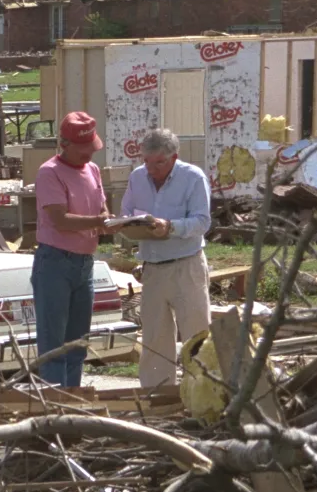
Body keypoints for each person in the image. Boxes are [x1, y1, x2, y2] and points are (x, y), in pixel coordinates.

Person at [119, 128, 213, 388]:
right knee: (154, 338)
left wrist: (170, 227)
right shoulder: (137, 178)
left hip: (186, 264)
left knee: (196, 335)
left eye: (159, 162)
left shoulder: (193, 177)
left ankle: (202, 392)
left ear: (174, 157)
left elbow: (202, 221)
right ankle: (157, 396)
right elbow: (126, 211)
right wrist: (127, 225)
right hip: (152, 268)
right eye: (147, 161)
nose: (152, 169)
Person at [32, 112, 111, 388]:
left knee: (78, 343)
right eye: (83, 149)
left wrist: (110, 221)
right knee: (55, 346)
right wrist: (99, 222)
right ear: (64, 144)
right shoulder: (49, 172)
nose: (89, 154)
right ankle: (56, 409)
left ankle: (74, 404)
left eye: (92, 148)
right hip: (55, 263)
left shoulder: (93, 170)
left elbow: (102, 207)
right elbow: (60, 220)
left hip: (84, 263)